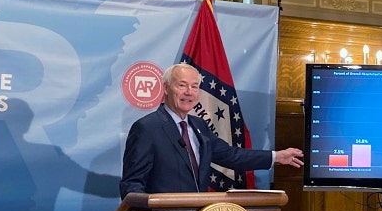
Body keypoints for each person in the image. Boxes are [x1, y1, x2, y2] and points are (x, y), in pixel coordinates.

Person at [119, 63, 303, 199]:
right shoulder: (147, 128)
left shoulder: (200, 127)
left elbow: (232, 156)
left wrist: (276, 157)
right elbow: (132, 185)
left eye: (194, 87)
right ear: (166, 88)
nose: (189, 92)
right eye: (182, 85)